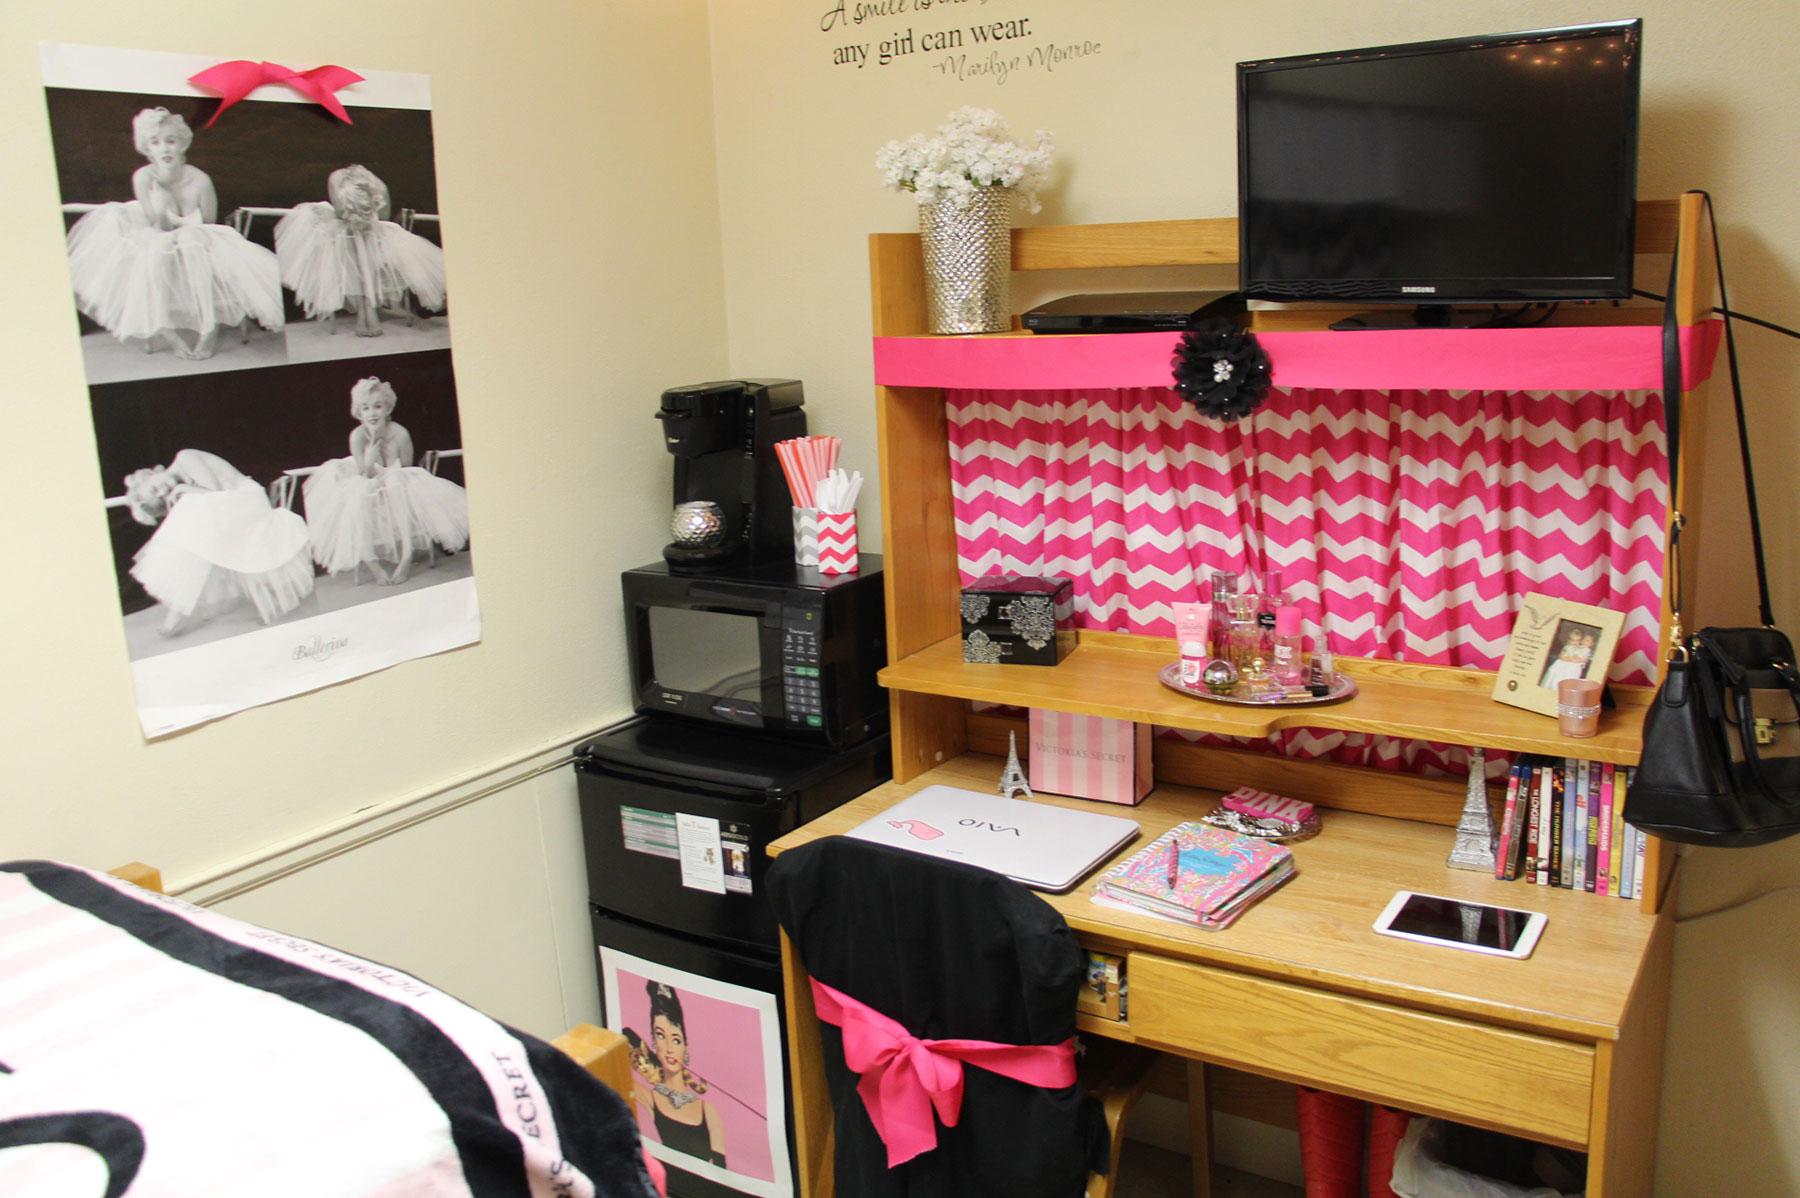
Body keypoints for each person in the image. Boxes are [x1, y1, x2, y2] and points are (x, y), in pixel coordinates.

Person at [65, 108, 283, 360]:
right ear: (147, 149)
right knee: (155, 250)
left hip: (199, 240)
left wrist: (184, 231)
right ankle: (167, 330)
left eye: (171, 141)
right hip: (158, 234)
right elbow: (158, 226)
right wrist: (162, 198)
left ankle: (208, 328)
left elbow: (209, 225)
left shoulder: (200, 180)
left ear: (182, 144)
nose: (164, 149)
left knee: (191, 241)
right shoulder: (143, 178)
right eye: (155, 143)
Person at [123, 449, 314, 636]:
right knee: (197, 536)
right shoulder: (181, 484)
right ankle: (177, 610)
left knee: (192, 521)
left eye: (155, 487)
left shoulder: (185, 457)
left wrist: (183, 489)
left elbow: (215, 492)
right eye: (161, 497)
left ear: (151, 473)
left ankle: (176, 611)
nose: (164, 491)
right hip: (230, 507)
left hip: (247, 497)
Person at [301, 377, 470, 585]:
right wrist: (371, 456)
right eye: (365, 408)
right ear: (359, 412)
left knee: (395, 481)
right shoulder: (357, 437)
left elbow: (408, 469)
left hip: (397, 487)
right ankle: (371, 560)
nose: (372, 413)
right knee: (359, 494)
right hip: (368, 481)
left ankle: (407, 554)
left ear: (388, 409)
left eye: (377, 406)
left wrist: (389, 476)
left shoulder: (400, 434)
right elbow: (364, 475)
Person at [275, 164, 447, 337]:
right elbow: (383, 215)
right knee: (363, 254)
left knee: (348, 252)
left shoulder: (337, 179)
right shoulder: (374, 184)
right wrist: (365, 218)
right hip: (370, 234)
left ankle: (364, 314)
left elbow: (341, 212)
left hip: (355, 235)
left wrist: (355, 218)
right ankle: (368, 312)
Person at [627, 981, 727, 1169]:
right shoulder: (649, 1098)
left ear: (685, 1047)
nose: (669, 1048)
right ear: (653, 1043)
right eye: (661, 1036)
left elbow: (722, 1170)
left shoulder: (709, 1111)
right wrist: (646, 1061)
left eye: (676, 1039)